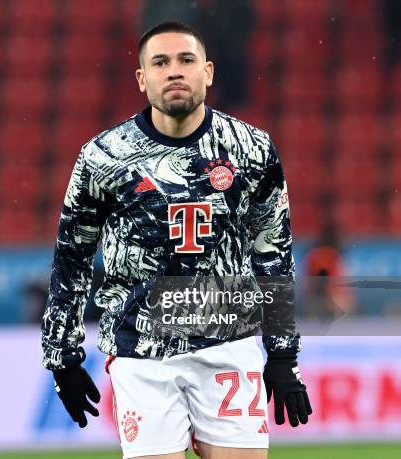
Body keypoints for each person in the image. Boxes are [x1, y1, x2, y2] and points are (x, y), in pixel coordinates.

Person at [41, 22, 311, 459]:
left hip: (229, 343)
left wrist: (282, 354)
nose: (174, 72)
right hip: (142, 349)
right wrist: (62, 356)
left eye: (186, 60)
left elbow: (273, 252)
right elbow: (72, 258)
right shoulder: (104, 157)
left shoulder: (251, 149)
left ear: (207, 71)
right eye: (160, 62)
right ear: (142, 78)